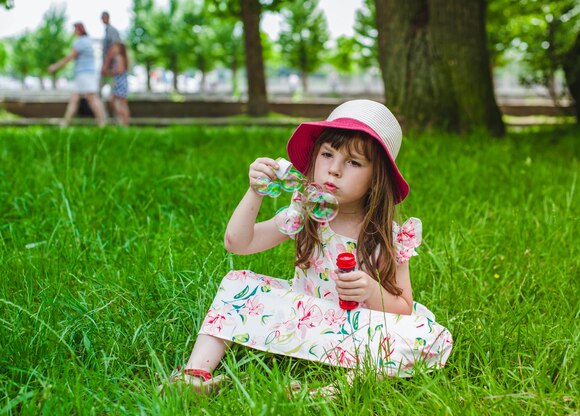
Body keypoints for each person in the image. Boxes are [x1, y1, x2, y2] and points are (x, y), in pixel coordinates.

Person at [162, 100, 453, 395]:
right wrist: (255, 193)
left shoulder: (388, 236)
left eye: (353, 162)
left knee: (425, 335)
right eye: (327, 154)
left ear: (377, 178)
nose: (334, 170)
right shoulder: (303, 214)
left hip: (355, 329)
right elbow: (238, 243)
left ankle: (331, 392)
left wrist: (369, 290)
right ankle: (195, 376)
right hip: (301, 316)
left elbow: (403, 307)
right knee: (237, 283)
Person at [48, 22, 106, 127]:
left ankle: (102, 123)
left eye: (74, 29)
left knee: (92, 98)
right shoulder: (88, 41)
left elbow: (70, 57)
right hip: (85, 74)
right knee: (75, 98)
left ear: (78, 30)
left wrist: (55, 66)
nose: (73, 32)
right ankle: (66, 123)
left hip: (85, 74)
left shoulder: (80, 42)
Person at [103, 42, 130, 126]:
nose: (113, 49)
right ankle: (124, 121)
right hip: (121, 82)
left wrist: (109, 72)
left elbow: (119, 70)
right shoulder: (121, 57)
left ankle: (124, 121)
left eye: (115, 47)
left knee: (118, 102)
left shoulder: (118, 57)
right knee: (121, 103)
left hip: (119, 82)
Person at [99, 11, 121, 96]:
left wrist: (106, 64)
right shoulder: (107, 30)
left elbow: (115, 48)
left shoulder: (112, 30)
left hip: (111, 65)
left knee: (114, 91)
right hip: (108, 63)